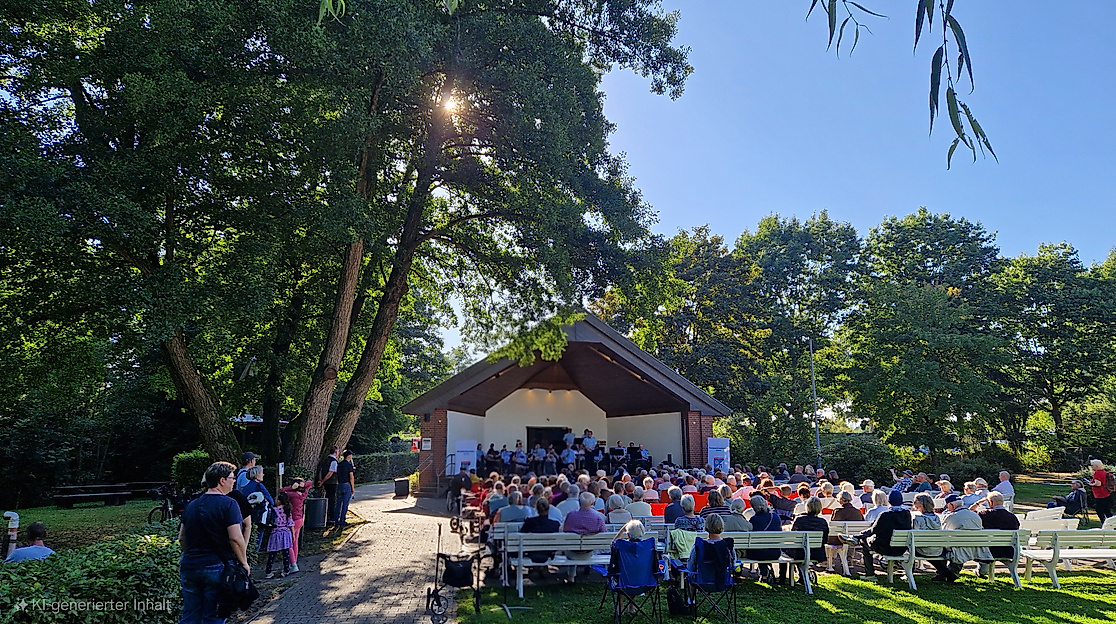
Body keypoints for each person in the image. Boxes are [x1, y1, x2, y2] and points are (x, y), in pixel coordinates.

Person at [179, 461, 248, 624]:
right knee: (214, 616)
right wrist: (244, 562)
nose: (234, 481)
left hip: (190, 565)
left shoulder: (192, 505)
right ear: (222, 480)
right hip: (217, 566)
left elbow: (182, 537)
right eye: (232, 478)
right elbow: (235, 538)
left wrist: (190, 554)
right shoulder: (229, 504)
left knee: (190, 616)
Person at [839, 490, 911, 579]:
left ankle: (870, 574)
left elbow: (873, 530)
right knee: (867, 539)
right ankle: (854, 538)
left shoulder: (885, 515)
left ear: (889, 501)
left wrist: (858, 535)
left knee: (864, 541)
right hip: (901, 548)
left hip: (884, 548)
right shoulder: (907, 514)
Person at [940, 493, 991, 575]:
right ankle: (982, 571)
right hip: (977, 548)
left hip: (959, 549)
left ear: (951, 505)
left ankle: (946, 572)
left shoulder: (951, 517)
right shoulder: (975, 516)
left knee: (944, 546)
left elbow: (943, 533)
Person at [911, 494, 955, 581]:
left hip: (922, 549)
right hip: (937, 549)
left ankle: (909, 573)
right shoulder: (937, 518)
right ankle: (945, 573)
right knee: (931, 549)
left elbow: (914, 537)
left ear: (920, 504)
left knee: (910, 547)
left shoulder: (918, 519)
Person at [977, 491, 1020, 575]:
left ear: (991, 502)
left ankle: (982, 571)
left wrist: (977, 503)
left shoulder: (984, 514)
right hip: (1008, 551)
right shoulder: (1012, 517)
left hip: (988, 551)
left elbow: (969, 514)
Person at [746, 495, 783, 582]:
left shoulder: (754, 519)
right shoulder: (776, 517)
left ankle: (764, 575)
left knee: (759, 548)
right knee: (764, 548)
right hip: (775, 552)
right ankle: (780, 577)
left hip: (758, 553)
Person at [786, 496, 828, 572]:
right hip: (817, 553)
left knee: (785, 549)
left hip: (800, 553)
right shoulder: (823, 522)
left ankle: (784, 575)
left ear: (807, 507)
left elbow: (792, 536)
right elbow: (825, 540)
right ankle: (802, 574)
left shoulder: (799, 520)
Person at [279, 478, 312, 573]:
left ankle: (293, 564)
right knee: (295, 542)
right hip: (300, 519)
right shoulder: (303, 494)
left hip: (292, 521)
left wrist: (290, 487)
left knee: (288, 543)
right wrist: (303, 484)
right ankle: (294, 561)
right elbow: (310, 483)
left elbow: (280, 491)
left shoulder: (291, 495)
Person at [521, 497, 561, 564]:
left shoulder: (529, 522)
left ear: (537, 509)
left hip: (532, 551)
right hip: (548, 552)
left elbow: (522, 533)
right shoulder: (555, 524)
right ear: (548, 509)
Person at [265, 491, 295, 579]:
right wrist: (293, 535)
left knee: (272, 553)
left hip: (275, 533)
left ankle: (268, 571)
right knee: (286, 553)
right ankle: (286, 570)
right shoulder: (287, 510)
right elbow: (290, 524)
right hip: (286, 533)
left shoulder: (273, 510)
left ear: (279, 500)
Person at [317, 446, 340, 527]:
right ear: (336, 452)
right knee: (332, 499)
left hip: (326, 483)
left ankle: (328, 516)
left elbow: (320, 470)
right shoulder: (334, 462)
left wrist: (320, 480)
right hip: (332, 482)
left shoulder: (325, 460)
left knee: (328, 497)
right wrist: (323, 480)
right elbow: (330, 473)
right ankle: (331, 517)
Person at [334, 450, 356, 528]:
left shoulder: (339, 464)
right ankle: (342, 520)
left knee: (338, 503)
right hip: (347, 485)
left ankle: (336, 519)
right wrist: (352, 488)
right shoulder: (349, 465)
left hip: (340, 484)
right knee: (345, 503)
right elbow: (351, 477)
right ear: (349, 456)